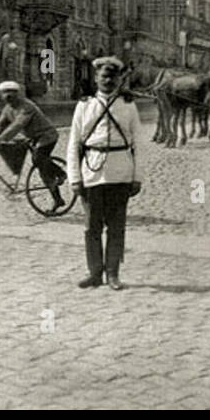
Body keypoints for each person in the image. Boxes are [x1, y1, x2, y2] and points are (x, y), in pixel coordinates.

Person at [66, 56, 141, 291]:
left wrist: (137, 177)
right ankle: (95, 273)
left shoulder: (128, 106)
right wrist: (74, 178)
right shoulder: (85, 105)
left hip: (120, 173)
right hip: (91, 172)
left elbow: (138, 143)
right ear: (96, 78)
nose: (108, 80)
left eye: (112, 77)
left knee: (117, 227)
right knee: (92, 227)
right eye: (103, 76)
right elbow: (73, 143)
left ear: (119, 79)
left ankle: (113, 274)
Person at [0, 81, 64, 206]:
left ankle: (61, 173)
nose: (8, 97)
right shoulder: (8, 109)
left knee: (38, 159)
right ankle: (58, 200)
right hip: (32, 138)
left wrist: (0, 138)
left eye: (11, 94)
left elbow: (17, 125)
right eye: (5, 94)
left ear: (17, 94)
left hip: (46, 136)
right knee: (42, 170)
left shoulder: (27, 107)